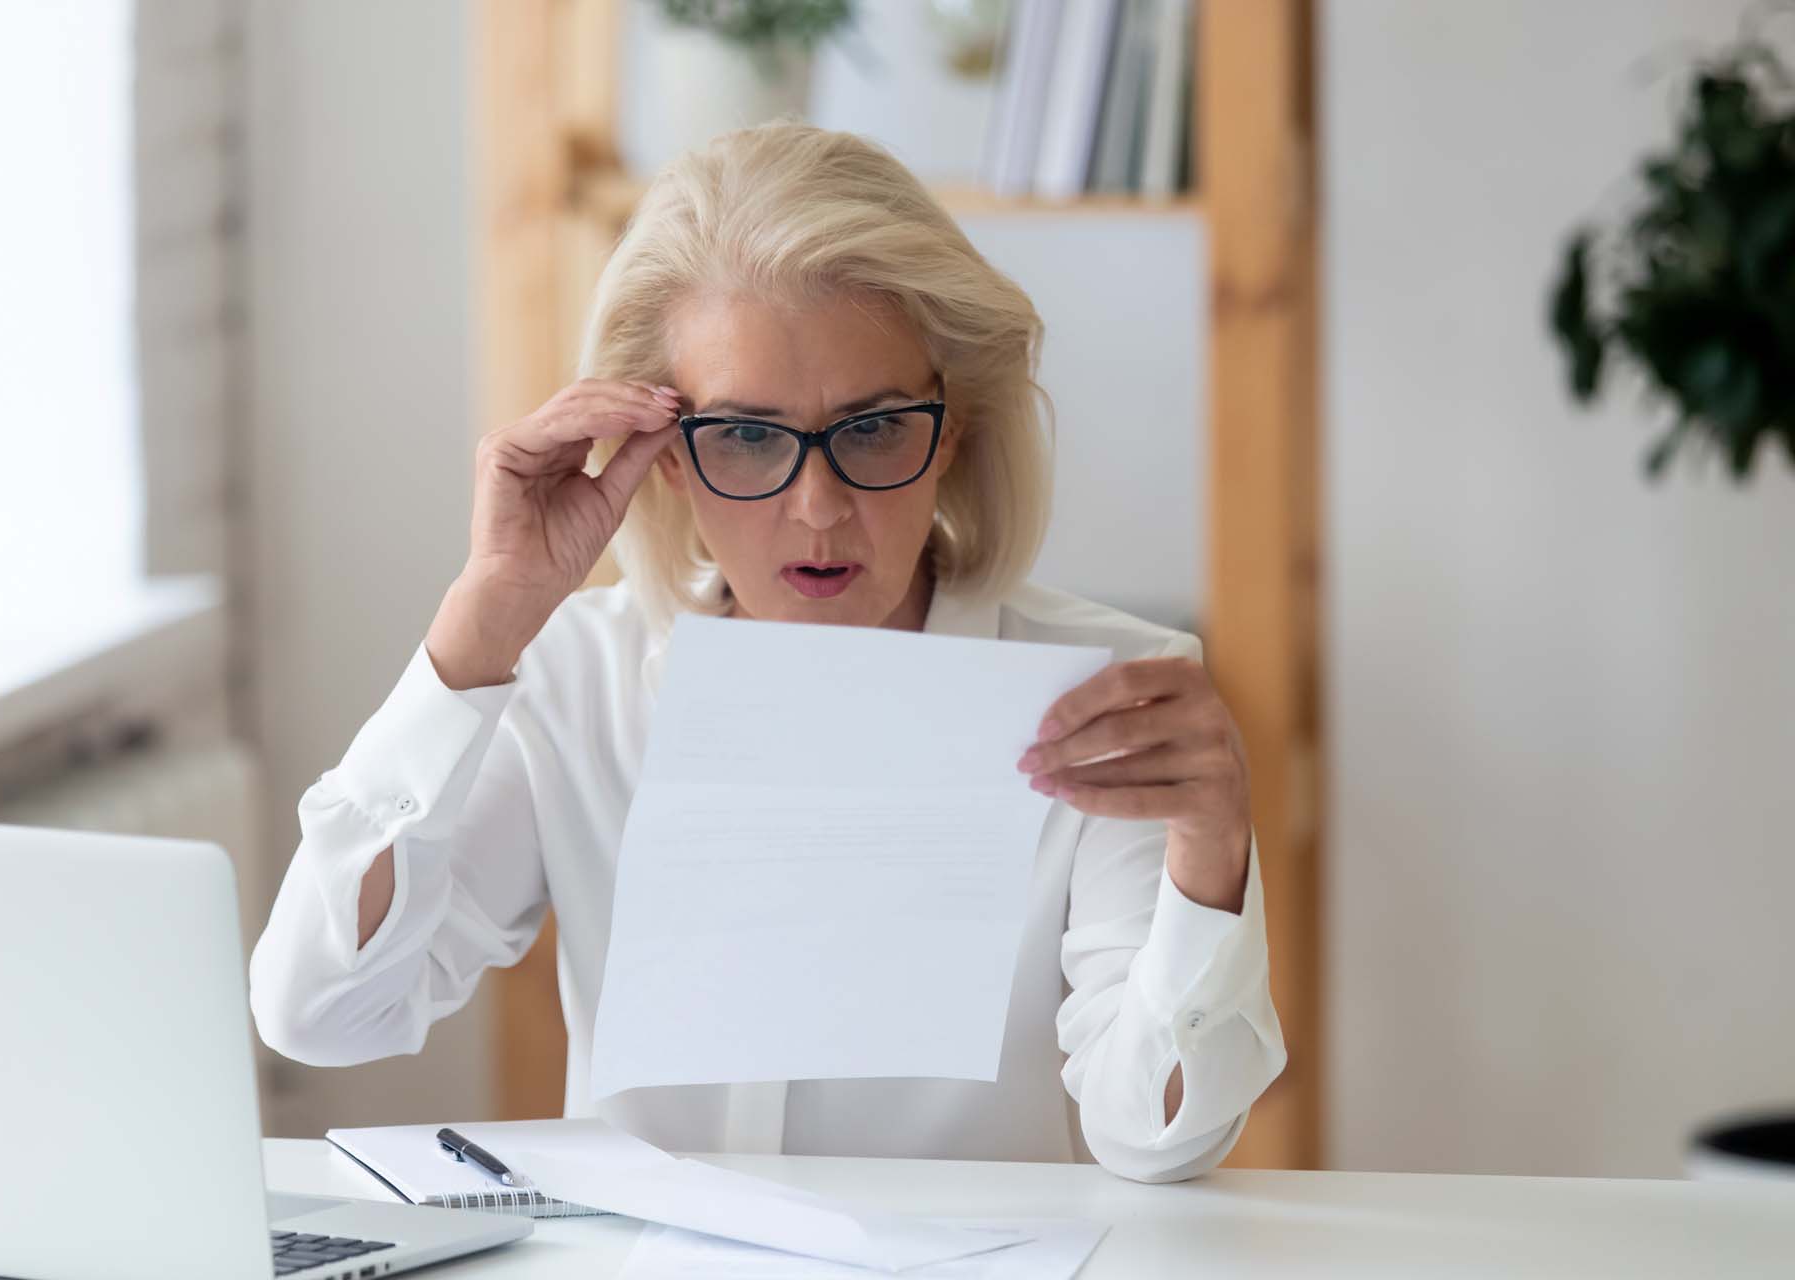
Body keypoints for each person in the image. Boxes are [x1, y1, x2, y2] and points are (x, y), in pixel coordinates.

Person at [248, 120, 1285, 1183]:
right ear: (663, 457)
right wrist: (479, 625)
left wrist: (1209, 857)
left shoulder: (1100, 697)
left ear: (955, 428)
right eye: (747, 436)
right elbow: (322, 1012)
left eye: (875, 426)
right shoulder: (577, 679)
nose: (819, 508)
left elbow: (1156, 1135)